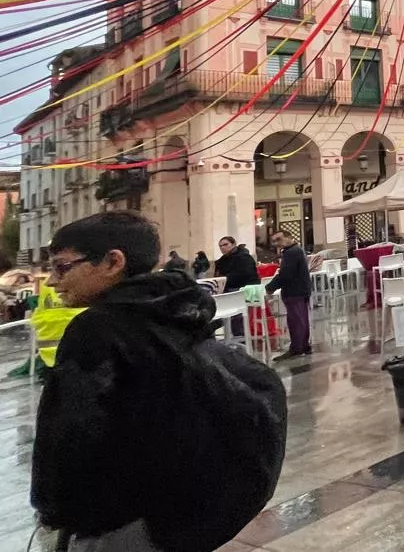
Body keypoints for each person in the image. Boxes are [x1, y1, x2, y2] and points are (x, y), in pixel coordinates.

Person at [32, 211, 287, 552]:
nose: (51, 280)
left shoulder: (98, 330)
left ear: (113, 262)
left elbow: (70, 437)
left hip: (121, 522)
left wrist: (54, 510)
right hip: (179, 518)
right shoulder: (176, 311)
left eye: (62, 266)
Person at [265, 230, 312, 361]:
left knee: (296, 320)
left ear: (289, 237)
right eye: (274, 241)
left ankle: (297, 348)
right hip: (301, 290)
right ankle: (304, 346)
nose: (276, 243)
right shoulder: (296, 250)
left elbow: (285, 274)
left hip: (295, 291)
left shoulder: (292, 252)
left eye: (279, 239)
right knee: (302, 319)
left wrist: (270, 288)